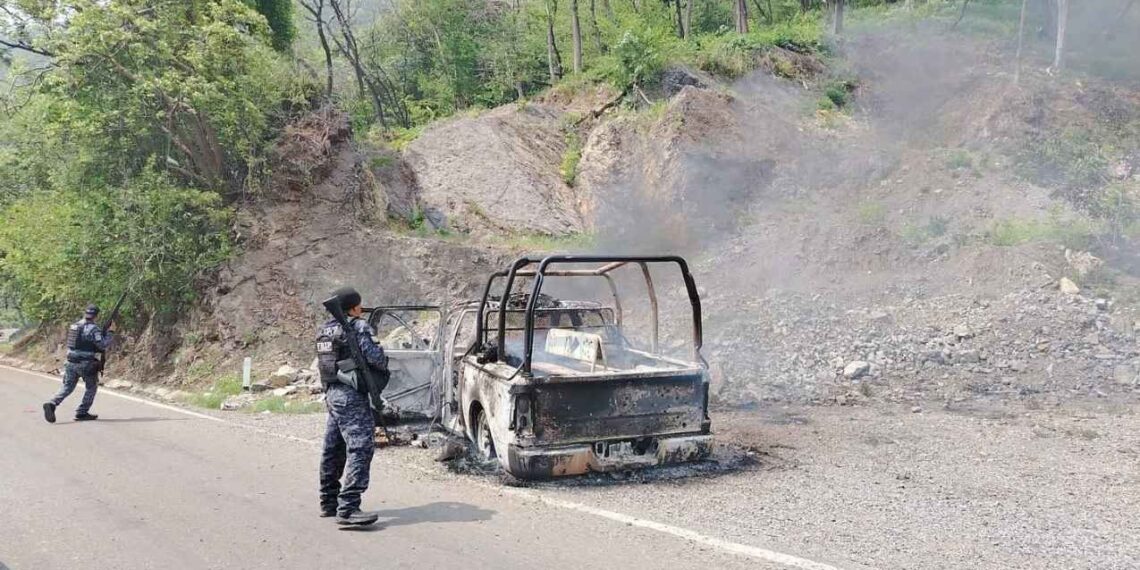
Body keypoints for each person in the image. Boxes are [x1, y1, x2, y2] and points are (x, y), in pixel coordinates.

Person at [316, 287, 386, 526]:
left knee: (334, 448)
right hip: (351, 395)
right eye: (360, 306)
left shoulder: (325, 329)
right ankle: (348, 507)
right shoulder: (357, 327)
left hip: (332, 393)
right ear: (355, 308)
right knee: (361, 447)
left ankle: (329, 502)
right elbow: (376, 358)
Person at [43, 304, 112, 423]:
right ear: (96, 316)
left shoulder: (74, 326)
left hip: (70, 361)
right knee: (91, 387)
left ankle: (52, 403)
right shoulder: (94, 329)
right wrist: (110, 332)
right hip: (86, 363)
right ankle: (82, 412)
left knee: (68, 386)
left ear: (85, 313)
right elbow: (102, 345)